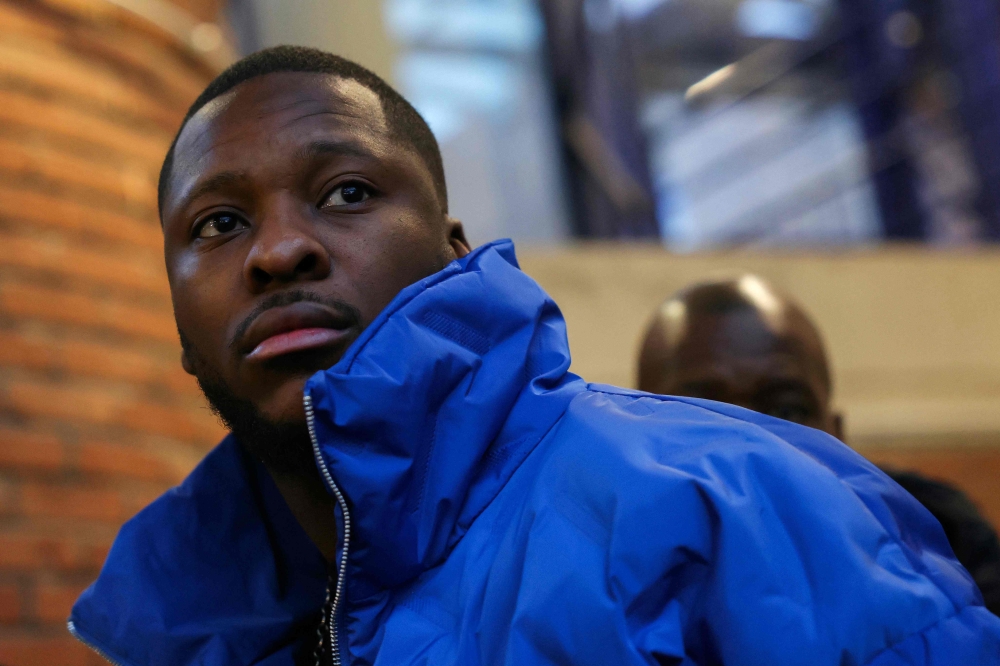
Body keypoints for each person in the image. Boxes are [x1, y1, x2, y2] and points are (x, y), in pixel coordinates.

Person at [71, 46, 999, 665]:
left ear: (453, 247)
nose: (278, 251)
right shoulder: (182, 627)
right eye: (220, 223)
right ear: (182, 328)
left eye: (347, 192)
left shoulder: (741, 508)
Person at [637, 274, 1000, 615]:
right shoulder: (618, 584)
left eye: (787, 410)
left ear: (838, 436)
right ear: (643, 445)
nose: (753, 445)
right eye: (703, 415)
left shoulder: (938, 534)